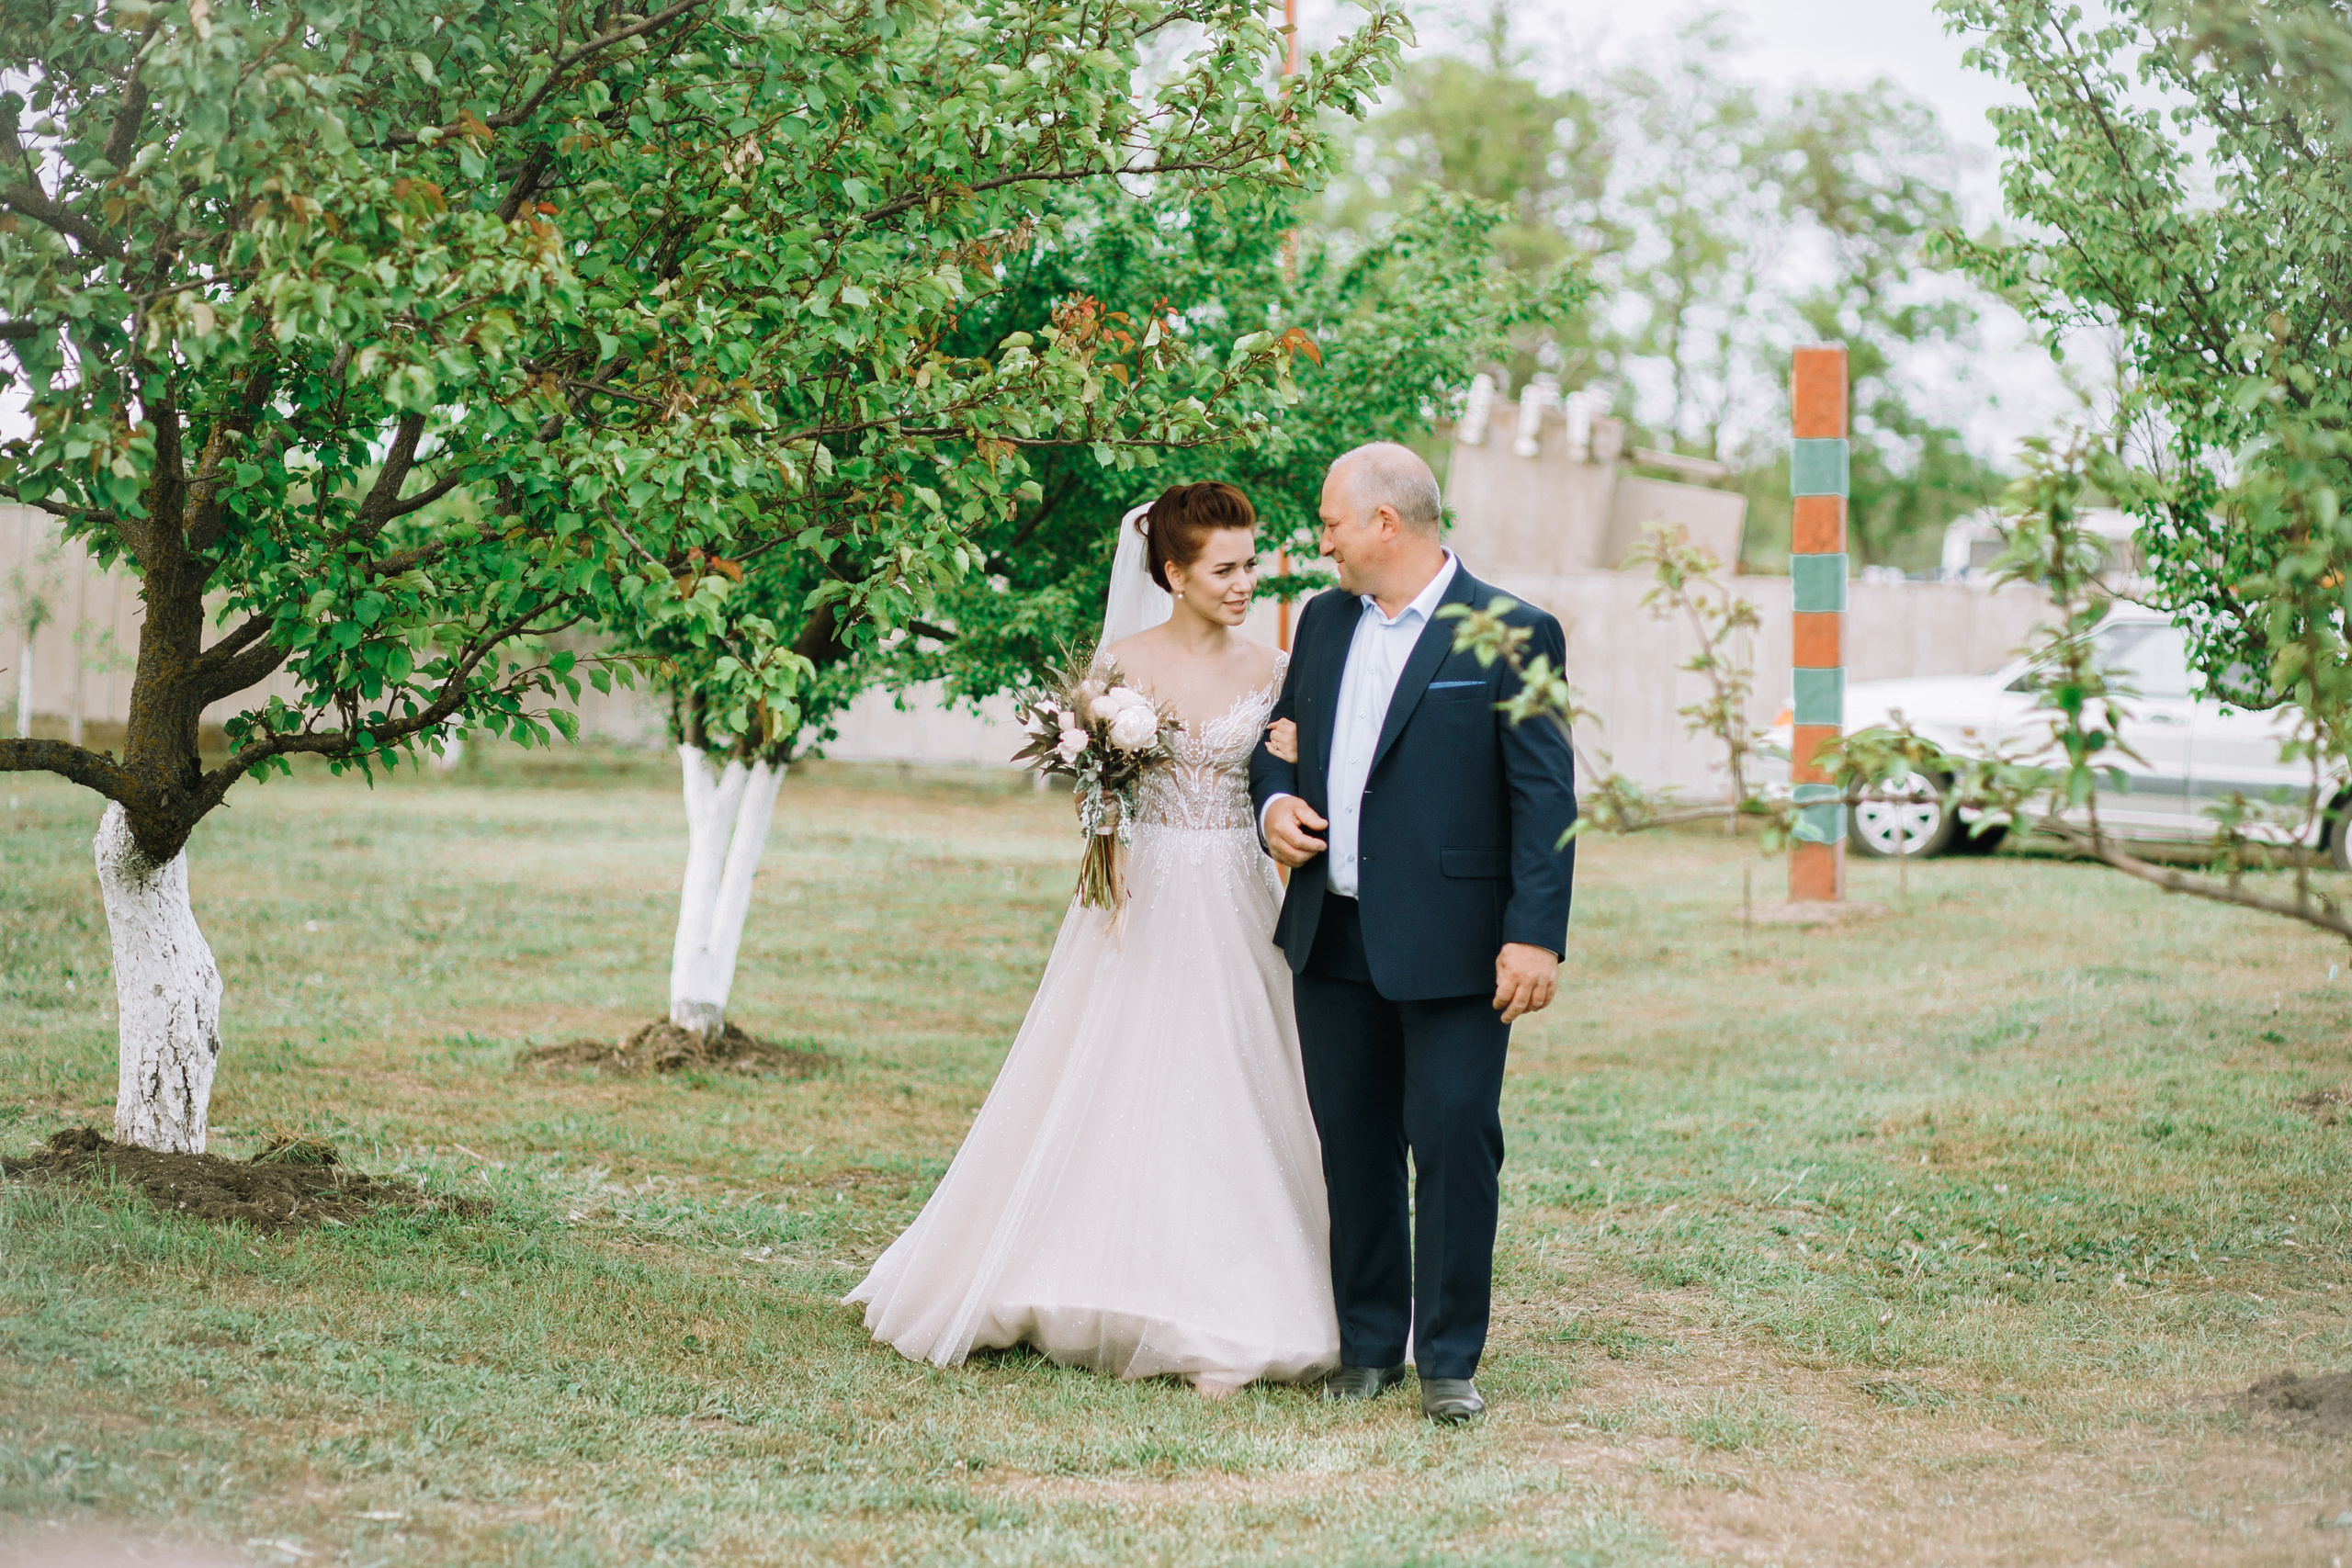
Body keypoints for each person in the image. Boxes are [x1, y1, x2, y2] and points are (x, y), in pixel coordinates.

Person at [846, 481, 1338, 1394]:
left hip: (1236, 888)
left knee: (1236, 1066)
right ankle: (1094, 1272)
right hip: (1142, 894)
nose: (1245, 583)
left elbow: (1285, 774)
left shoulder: (1275, 669)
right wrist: (1104, 841)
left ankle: (1239, 1282)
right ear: (1173, 573)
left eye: (1250, 564)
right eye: (1225, 570)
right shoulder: (1118, 666)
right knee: (1119, 1066)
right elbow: (1098, 796)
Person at [1250, 442, 1577, 1425]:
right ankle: (1366, 1347)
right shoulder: (1323, 621)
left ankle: (1446, 1360)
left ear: (1385, 523)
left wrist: (1535, 935)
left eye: (1332, 524)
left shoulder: (1513, 631)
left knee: (1454, 1140)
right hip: (1333, 932)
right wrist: (1273, 804)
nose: (1323, 543)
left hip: (1458, 944)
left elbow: (1544, 795)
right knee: (1352, 1145)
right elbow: (1278, 740)